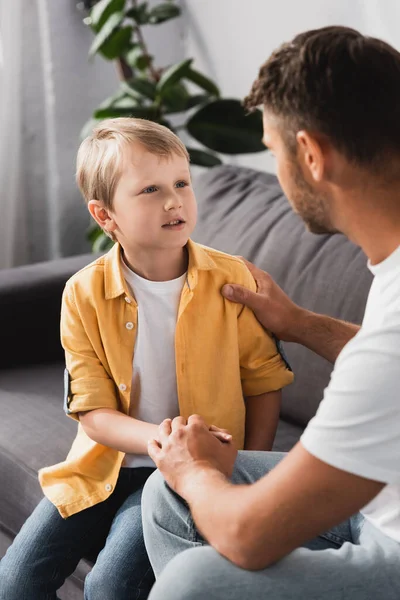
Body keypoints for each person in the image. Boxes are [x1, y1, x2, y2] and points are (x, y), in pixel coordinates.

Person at [141, 25, 400, 600]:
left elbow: (247, 536)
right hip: (378, 494)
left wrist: (194, 467)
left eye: (273, 150)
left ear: (311, 155)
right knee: (166, 498)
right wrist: (299, 324)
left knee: (193, 581)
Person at [0, 118, 293, 600]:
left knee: (111, 587)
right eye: (151, 189)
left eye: (181, 183)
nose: (174, 200)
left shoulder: (232, 279)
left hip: (187, 478)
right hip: (101, 468)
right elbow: (93, 414)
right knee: (15, 581)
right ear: (104, 215)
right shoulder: (82, 294)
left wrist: (242, 472)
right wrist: (162, 438)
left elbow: (263, 383)